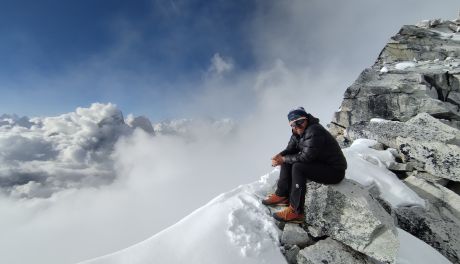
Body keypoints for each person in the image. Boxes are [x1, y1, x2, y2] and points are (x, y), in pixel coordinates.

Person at [262, 107, 347, 223]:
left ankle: (296, 212)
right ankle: (282, 194)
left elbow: (306, 157)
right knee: (288, 160)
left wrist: (283, 159)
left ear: (306, 119)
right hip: (321, 164)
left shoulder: (314, 131)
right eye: (293, 124)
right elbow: (290, 149)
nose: (297, 126)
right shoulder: (297, 132)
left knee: (298, 167)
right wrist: (279, 156)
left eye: (300, 122)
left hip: (334, 171)